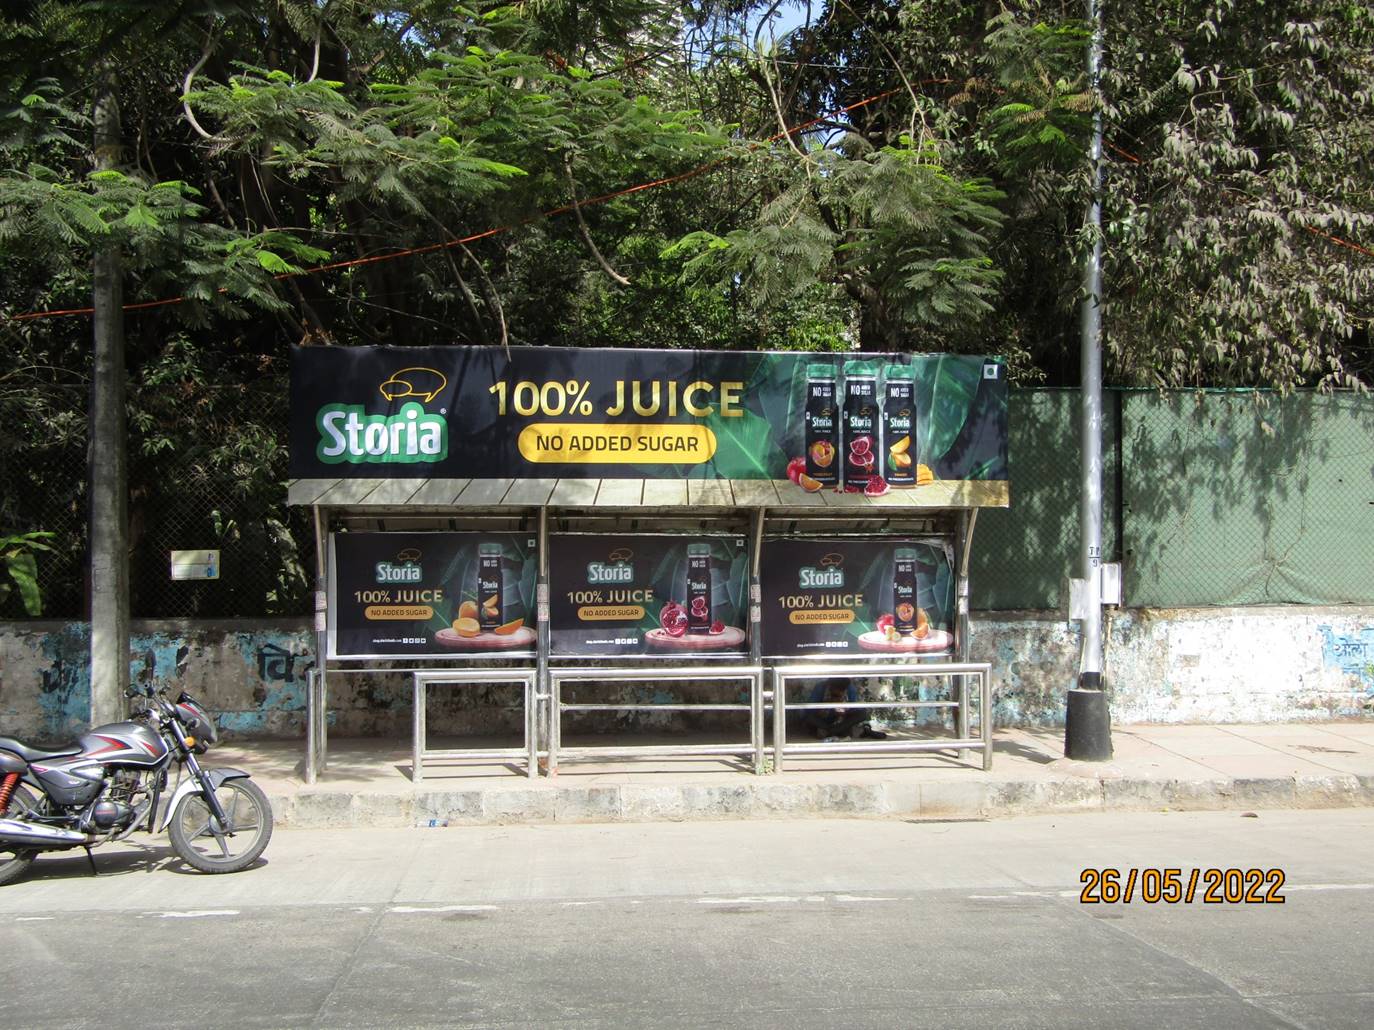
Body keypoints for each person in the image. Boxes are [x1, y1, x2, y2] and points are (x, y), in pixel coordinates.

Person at [801, 678, 887, 741]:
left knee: (862, 713)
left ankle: (833, 731)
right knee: (807, 716)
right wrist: (824, 707)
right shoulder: (820, 687)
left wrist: (845, 711)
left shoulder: (850, 689)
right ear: (830, 686)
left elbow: (855, 708)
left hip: (841, 719)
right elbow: (809, 709)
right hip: (823, 719)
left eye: (841, 691)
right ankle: (834, 730)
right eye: (835, 690)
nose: (838, 692)